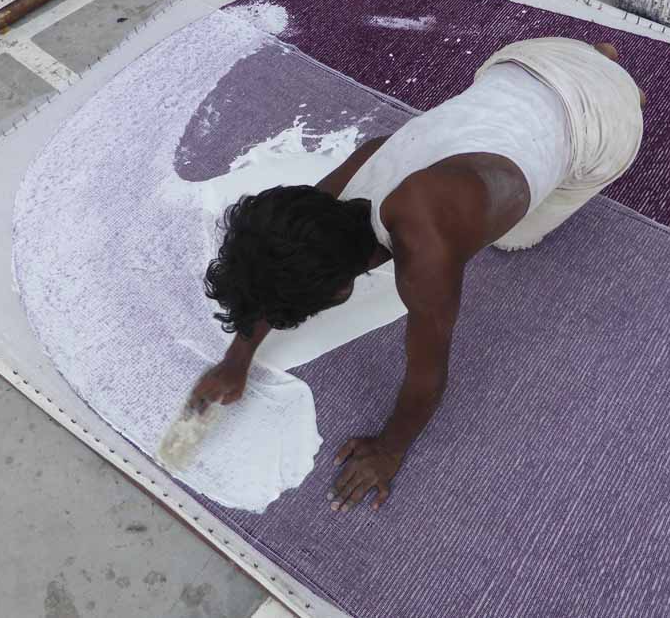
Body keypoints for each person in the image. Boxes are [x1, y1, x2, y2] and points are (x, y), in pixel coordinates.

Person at [189, 38, 645, 512]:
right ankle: (599, 58)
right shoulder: (325, 199)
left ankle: (625, 92)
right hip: (529, 59)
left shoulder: (428, 254)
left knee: (514, 239)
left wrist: (390, 449)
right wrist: (237, 358)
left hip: (600, 120)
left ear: (343, 290)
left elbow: (428, 377)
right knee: (518, 138)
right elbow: (273, 260)